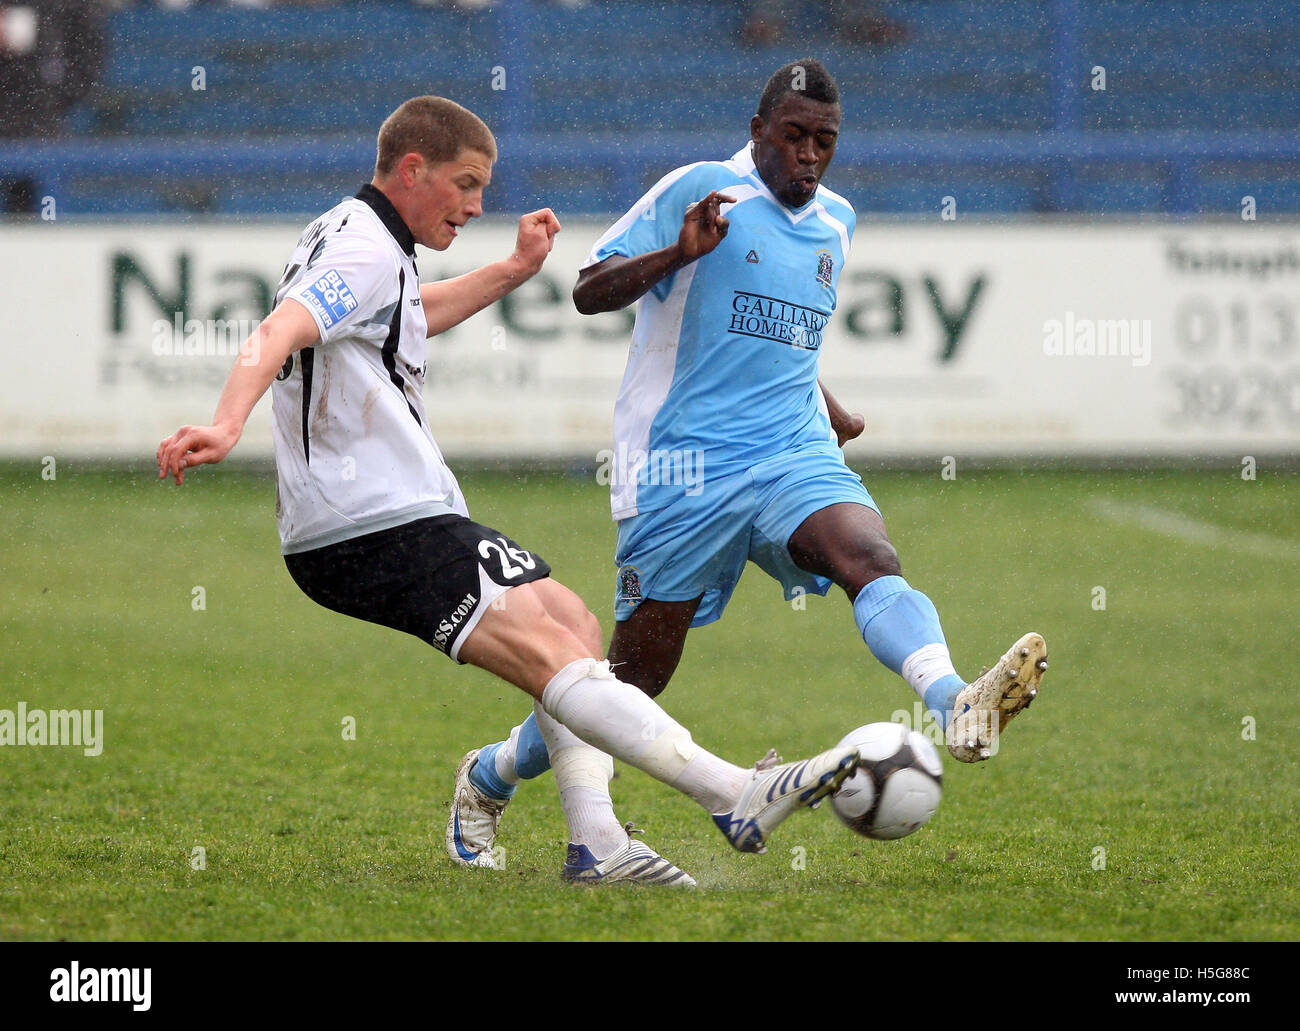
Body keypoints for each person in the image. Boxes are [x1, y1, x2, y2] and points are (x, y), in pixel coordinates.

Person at [155, 95, 862, 889]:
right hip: (366, 520)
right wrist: (225, 423)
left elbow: (405, 314)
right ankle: (734, 792)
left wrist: (513, 271)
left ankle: (595, 841)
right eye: (465, 183)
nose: (477, 204)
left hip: (394, 511)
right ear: (413, 168)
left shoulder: (360, 239)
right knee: (552, 645)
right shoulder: (361, 249)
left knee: (572, 619)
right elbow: (279, 329)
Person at [452, 61, 1049, 880]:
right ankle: (490, 774)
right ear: (760, 129)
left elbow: (781, 337)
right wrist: (677, 250)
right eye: (795, 137)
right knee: (632, 680)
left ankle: (954, 703)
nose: (809, 156)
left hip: (790, 450)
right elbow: (589, 291)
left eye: (825, 142)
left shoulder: (837, 221)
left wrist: (826, 403)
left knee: (867, 556)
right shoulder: (703, 189)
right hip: (682, 465)